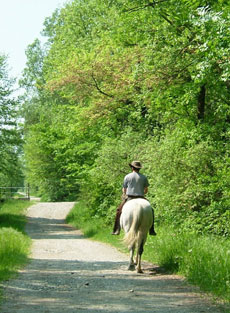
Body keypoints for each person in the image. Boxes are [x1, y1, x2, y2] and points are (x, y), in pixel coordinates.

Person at [112, 160, 156, 236]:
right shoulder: (144, 177)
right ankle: (151, 230)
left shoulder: (127, 176)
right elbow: (146, 190)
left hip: (130, 198)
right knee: (151, 210)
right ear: (139, 169)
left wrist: (124, 194)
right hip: (141, 197)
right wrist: (141, 193)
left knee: (119, 210)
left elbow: (124, 189)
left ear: (132, 168)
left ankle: (117, 229)